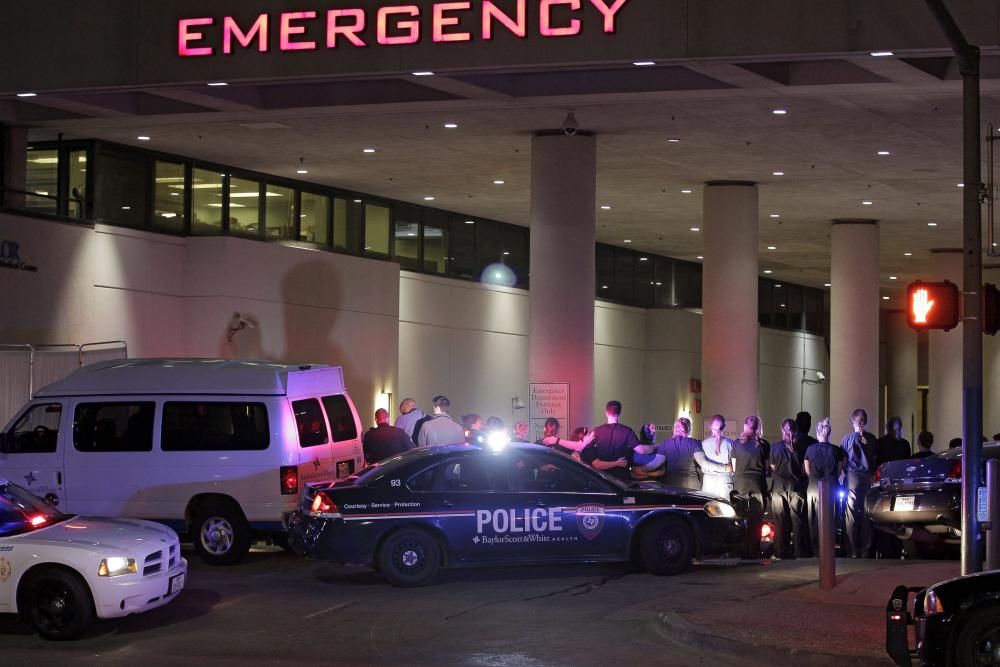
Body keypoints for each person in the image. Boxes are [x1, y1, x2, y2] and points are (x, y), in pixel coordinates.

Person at [839, 408, 878, 558]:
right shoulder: (873, 439)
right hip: (868, 478)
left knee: (851, 516)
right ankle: (867, 550)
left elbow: (842, 463)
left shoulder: (847, 439)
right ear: (865, 421)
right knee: (867, 515)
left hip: (852, 479)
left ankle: (852, 550)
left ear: (852, 421)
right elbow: (874, 459)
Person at [804, 417, 846, 556]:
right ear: (829, 433)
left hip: (814, 487)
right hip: (831, 487)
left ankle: (816, 549)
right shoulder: (837, 450)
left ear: (817, 433)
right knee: (830, 518)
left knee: (814, 517)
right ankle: (829, 548)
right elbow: (840, 471)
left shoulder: (810, 449)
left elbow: (807, 470)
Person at [770, 418, 808, 559]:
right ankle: (798, 552)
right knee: (797, 521)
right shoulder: (802, 448)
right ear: (795, 430)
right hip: (796, 488)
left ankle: (780, 552)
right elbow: (804, 470)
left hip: (779, 488)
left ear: (782, 430)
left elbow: (773, 468)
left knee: (780, 521)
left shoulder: (774, 448)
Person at [732, 416, 768, 556]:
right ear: (758, 427)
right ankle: (754, 549)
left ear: (745, 425)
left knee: (741, 517)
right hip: (757, 483)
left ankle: (741, 549)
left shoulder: (736, 444)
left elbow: (734, 467)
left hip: (740, 483)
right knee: (756, 519)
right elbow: (767, 468)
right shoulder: (764, 444)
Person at [580, 400, 640, 481]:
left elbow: (596, 464)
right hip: (622, 480)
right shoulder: (627, 431)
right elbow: (641, 450)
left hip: (602, 480)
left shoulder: (596, 431)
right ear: (620, 413)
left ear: (606, 412)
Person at [701, 415, 735, 499]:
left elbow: (702, 464)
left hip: (708, 482)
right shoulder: (730, 443)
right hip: (725, 482)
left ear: (709, 426)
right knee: (726, 510)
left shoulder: (703, 444)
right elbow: (734, 467)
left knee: (708, 509)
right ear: (723, 427)